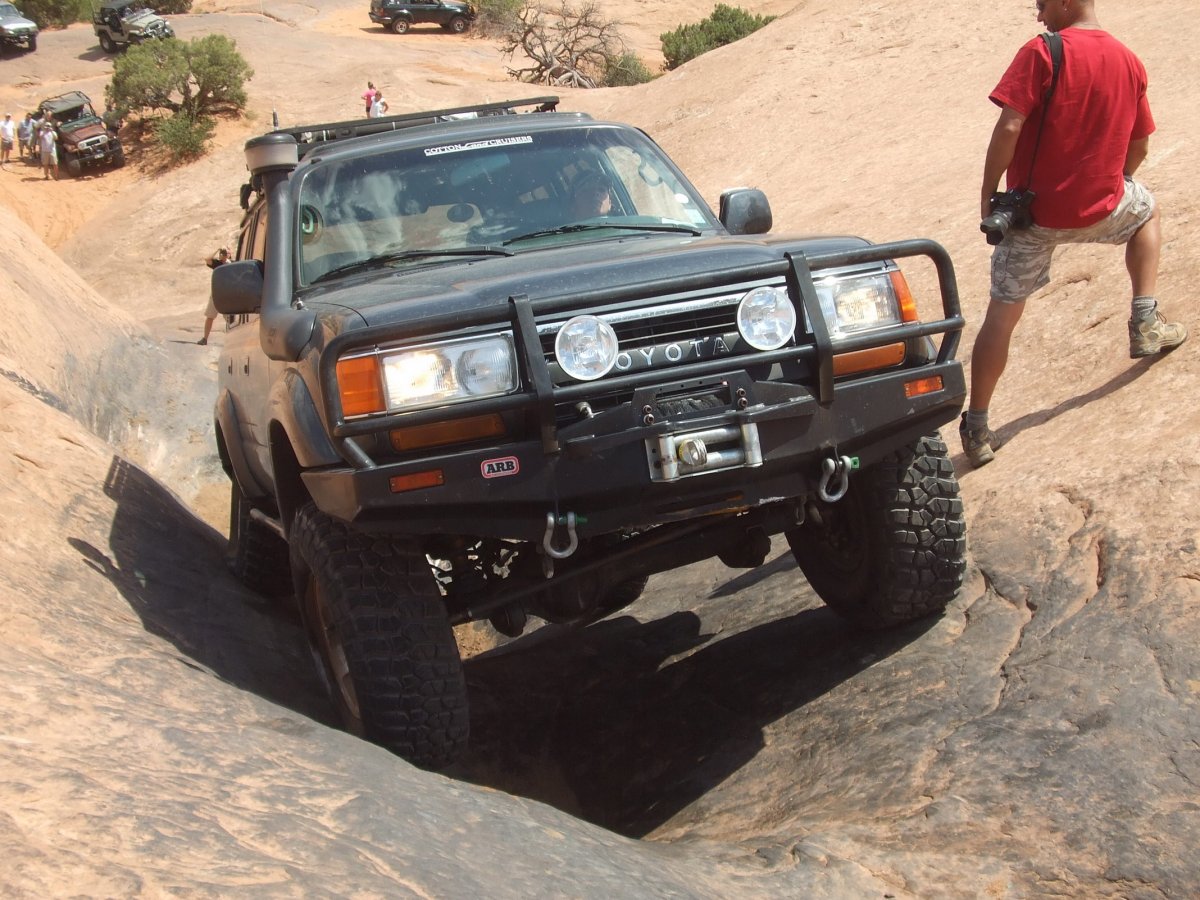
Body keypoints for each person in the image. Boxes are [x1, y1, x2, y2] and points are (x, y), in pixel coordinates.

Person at [960, 0, 1187, 468]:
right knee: (1146, 213)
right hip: (1102, 208)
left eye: (1042, 3)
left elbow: (1010, 125)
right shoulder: (1128, 59)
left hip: (1030, 218)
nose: (1038, 13)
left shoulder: (1042, 52)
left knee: (1001, 316)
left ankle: (978, 427)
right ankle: (1145, 319)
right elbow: (1141, 143)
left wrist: (988, 192)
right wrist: (1111, 182)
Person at [198, 247, 231, 345]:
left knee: (229, 319)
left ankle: (230, 340)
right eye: (222, 253)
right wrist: (216, 250)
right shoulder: (217, 264)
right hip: (216, 293)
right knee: (210, 316)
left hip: (227, 294)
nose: (223, 255)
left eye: (225, 253)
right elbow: (207, 259)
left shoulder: (232, 264)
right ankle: (205, 338)